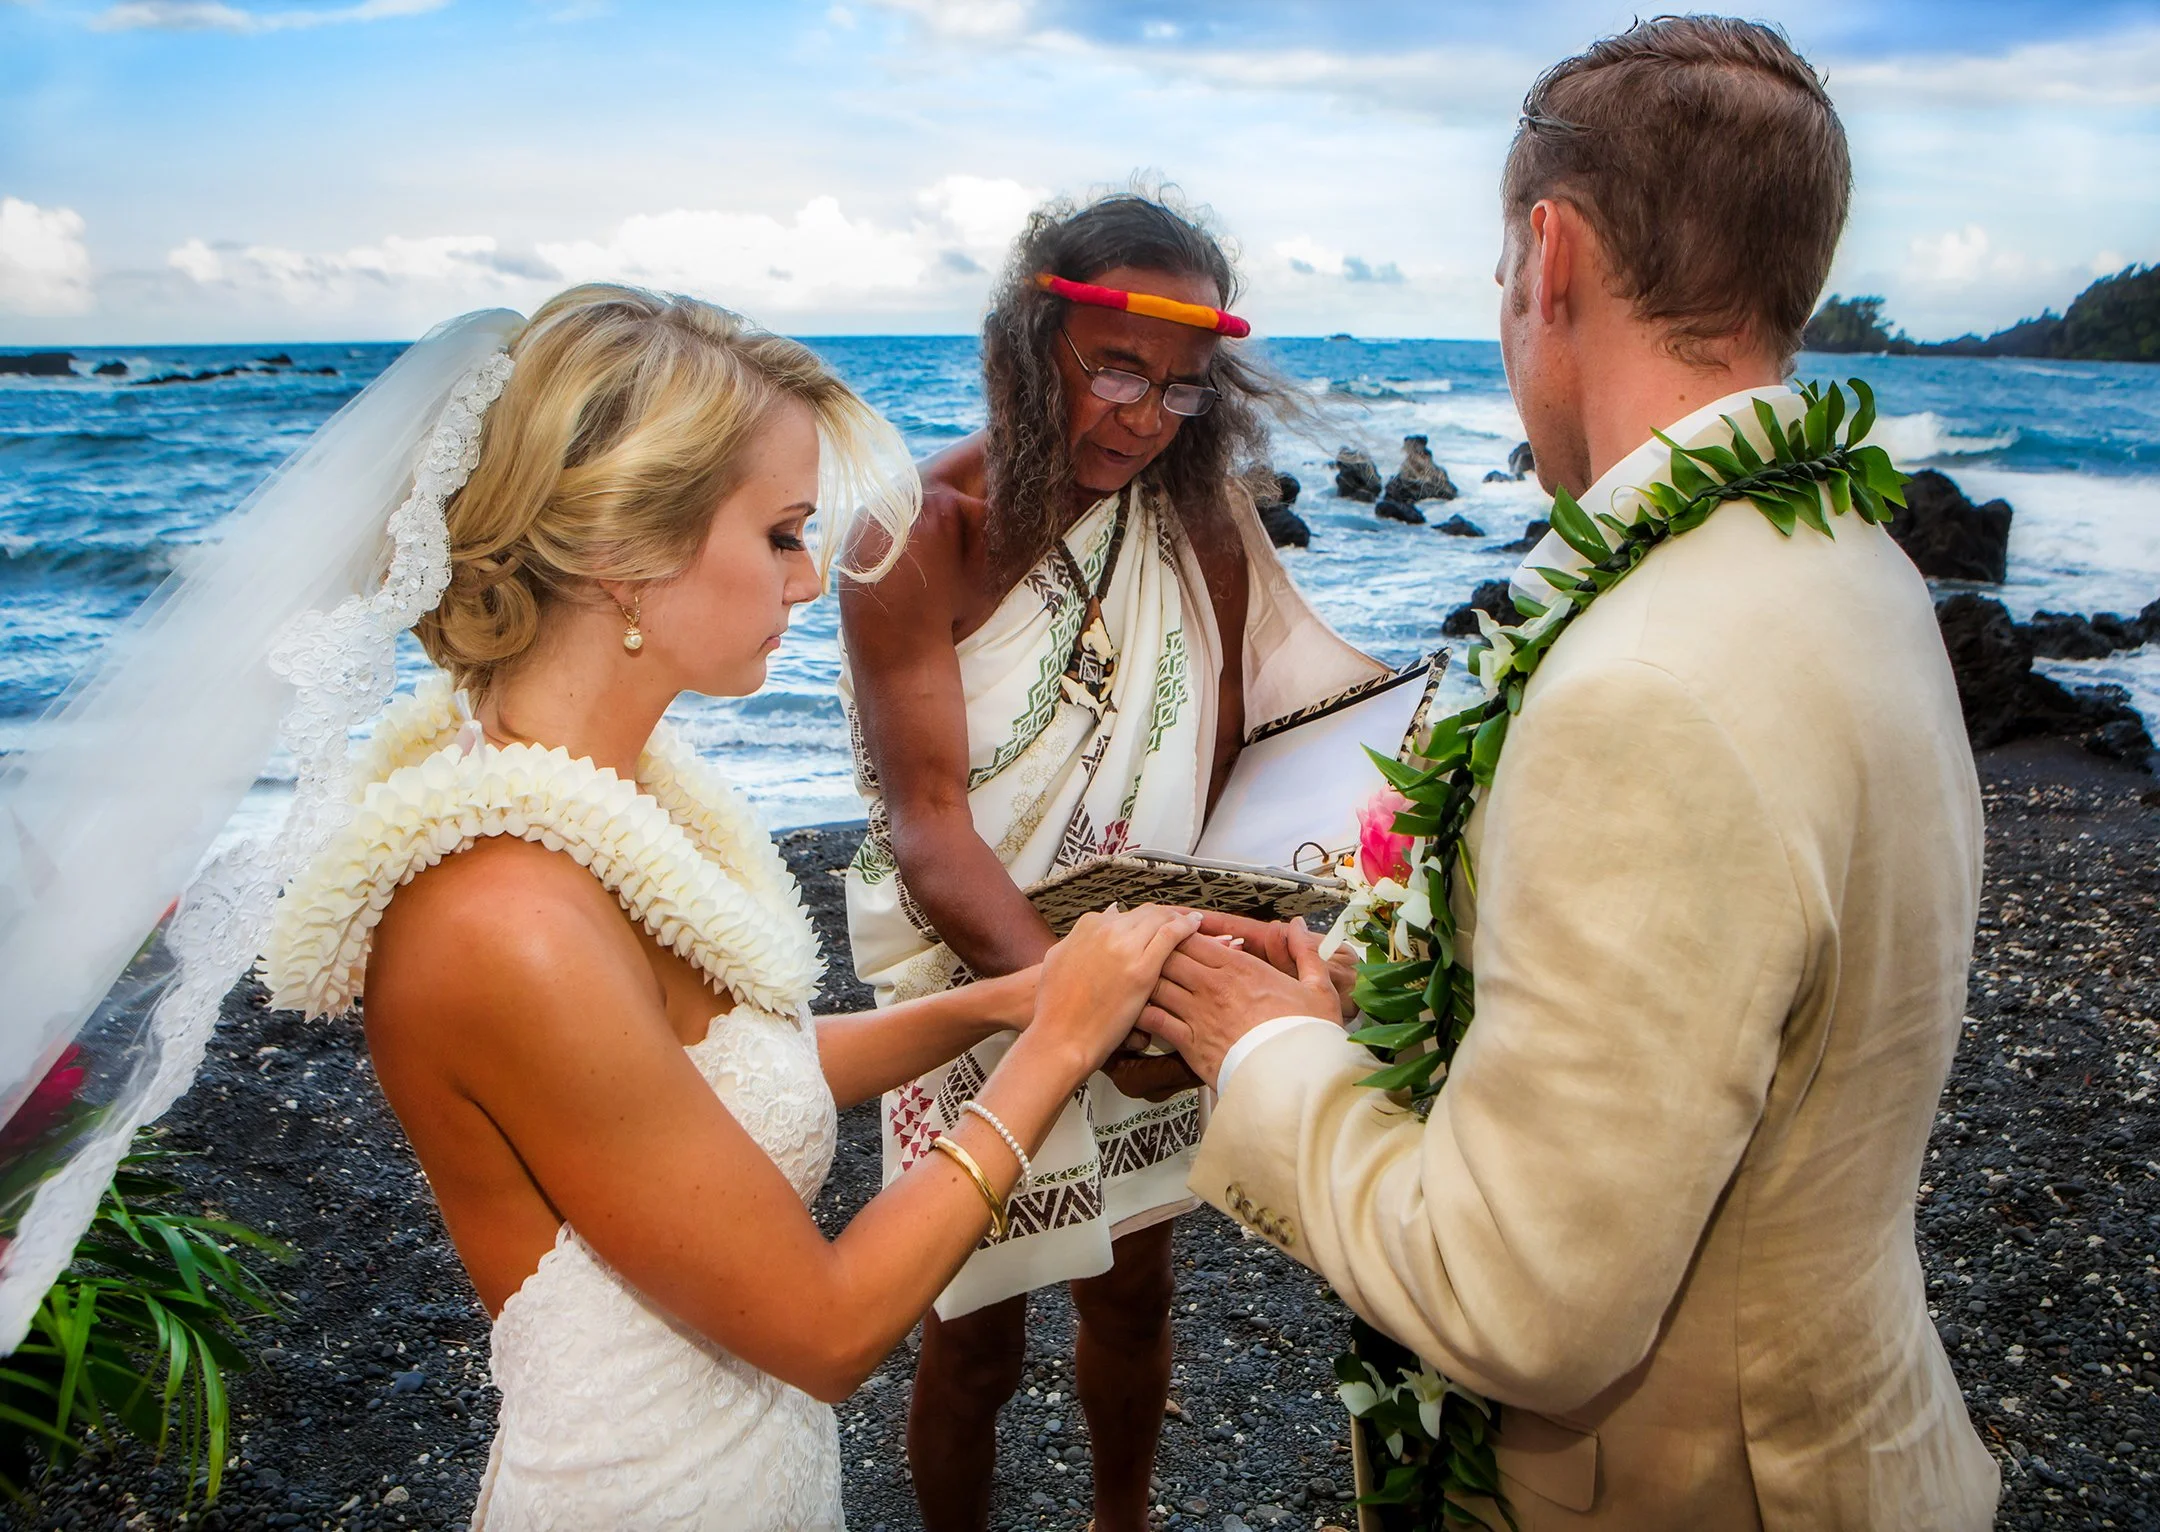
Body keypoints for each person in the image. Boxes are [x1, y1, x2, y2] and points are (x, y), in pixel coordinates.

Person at [1140, 20, 2001, 1531]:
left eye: (1499, 279)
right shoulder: (1853, 558)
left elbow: (1521, 1299)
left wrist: (1269, 1053)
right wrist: (1394, 999)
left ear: (1552, 258)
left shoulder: (1643, 687)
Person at [235, 284, 1209, 1530]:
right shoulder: (506, 917)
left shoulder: (604, 800)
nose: (810, 581)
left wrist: (1012, 999)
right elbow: (829, 1326)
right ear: (626, 553)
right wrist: (1061, 1043)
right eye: (783, 533)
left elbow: (711, 1079)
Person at [839, 193, 1380, 1531]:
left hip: (1148, 967)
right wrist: (1076, 1008)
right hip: (976, 978)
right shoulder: (912, 535)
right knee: (973, 1333)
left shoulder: (1198, 528)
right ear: (1034, 345)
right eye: (1119, 370)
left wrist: (1220, 960)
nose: (1145, 419)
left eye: (1183, 388)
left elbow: (1238, 759)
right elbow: (929, 824)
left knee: (1136, 1294)